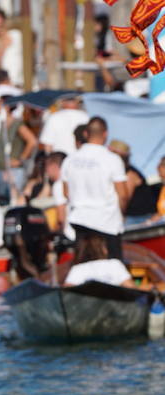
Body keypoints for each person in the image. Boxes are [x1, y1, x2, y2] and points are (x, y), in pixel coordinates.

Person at [62, 116, 129, 260]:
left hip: (80, 222)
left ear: (86, 133)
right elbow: (122, 195)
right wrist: (122, 213)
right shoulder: (112, 159)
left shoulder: (69, 160)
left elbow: (66, 193)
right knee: (113, 270)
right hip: (107, 222)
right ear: (105, 134)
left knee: (84, 267)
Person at [62, 235, 134, 287]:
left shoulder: (77, 269)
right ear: (102, 249)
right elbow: (130, 288)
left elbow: (67, 291)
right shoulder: (114, 264)